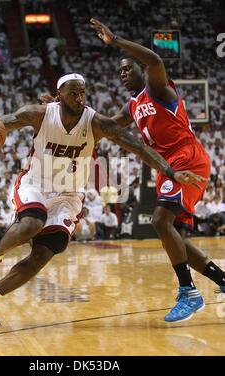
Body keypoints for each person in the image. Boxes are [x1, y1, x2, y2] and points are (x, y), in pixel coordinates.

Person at [0, 73, 205, 329]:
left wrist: (172, 172)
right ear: (59, 96)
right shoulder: (40, 114)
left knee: (41, 255)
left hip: (69, 195)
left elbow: (139, 148)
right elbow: (1, 123)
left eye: (82, 93)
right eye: (73, 93)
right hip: (35, 185)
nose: (79, 98)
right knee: (32, 222)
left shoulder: (96, 122)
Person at [90, 18, 225, 322]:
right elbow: (109, 127)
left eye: (128, 68)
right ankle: (223, 281)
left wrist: (117, 41)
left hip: (187, 156)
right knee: (171, 232)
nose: (124, 73)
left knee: (161, 221)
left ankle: (189, 292)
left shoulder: (158, 88)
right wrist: (68, 118)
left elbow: (155, 59)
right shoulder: (133, 106)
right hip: (167, 165)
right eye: (120, 71)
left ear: (141, 70)